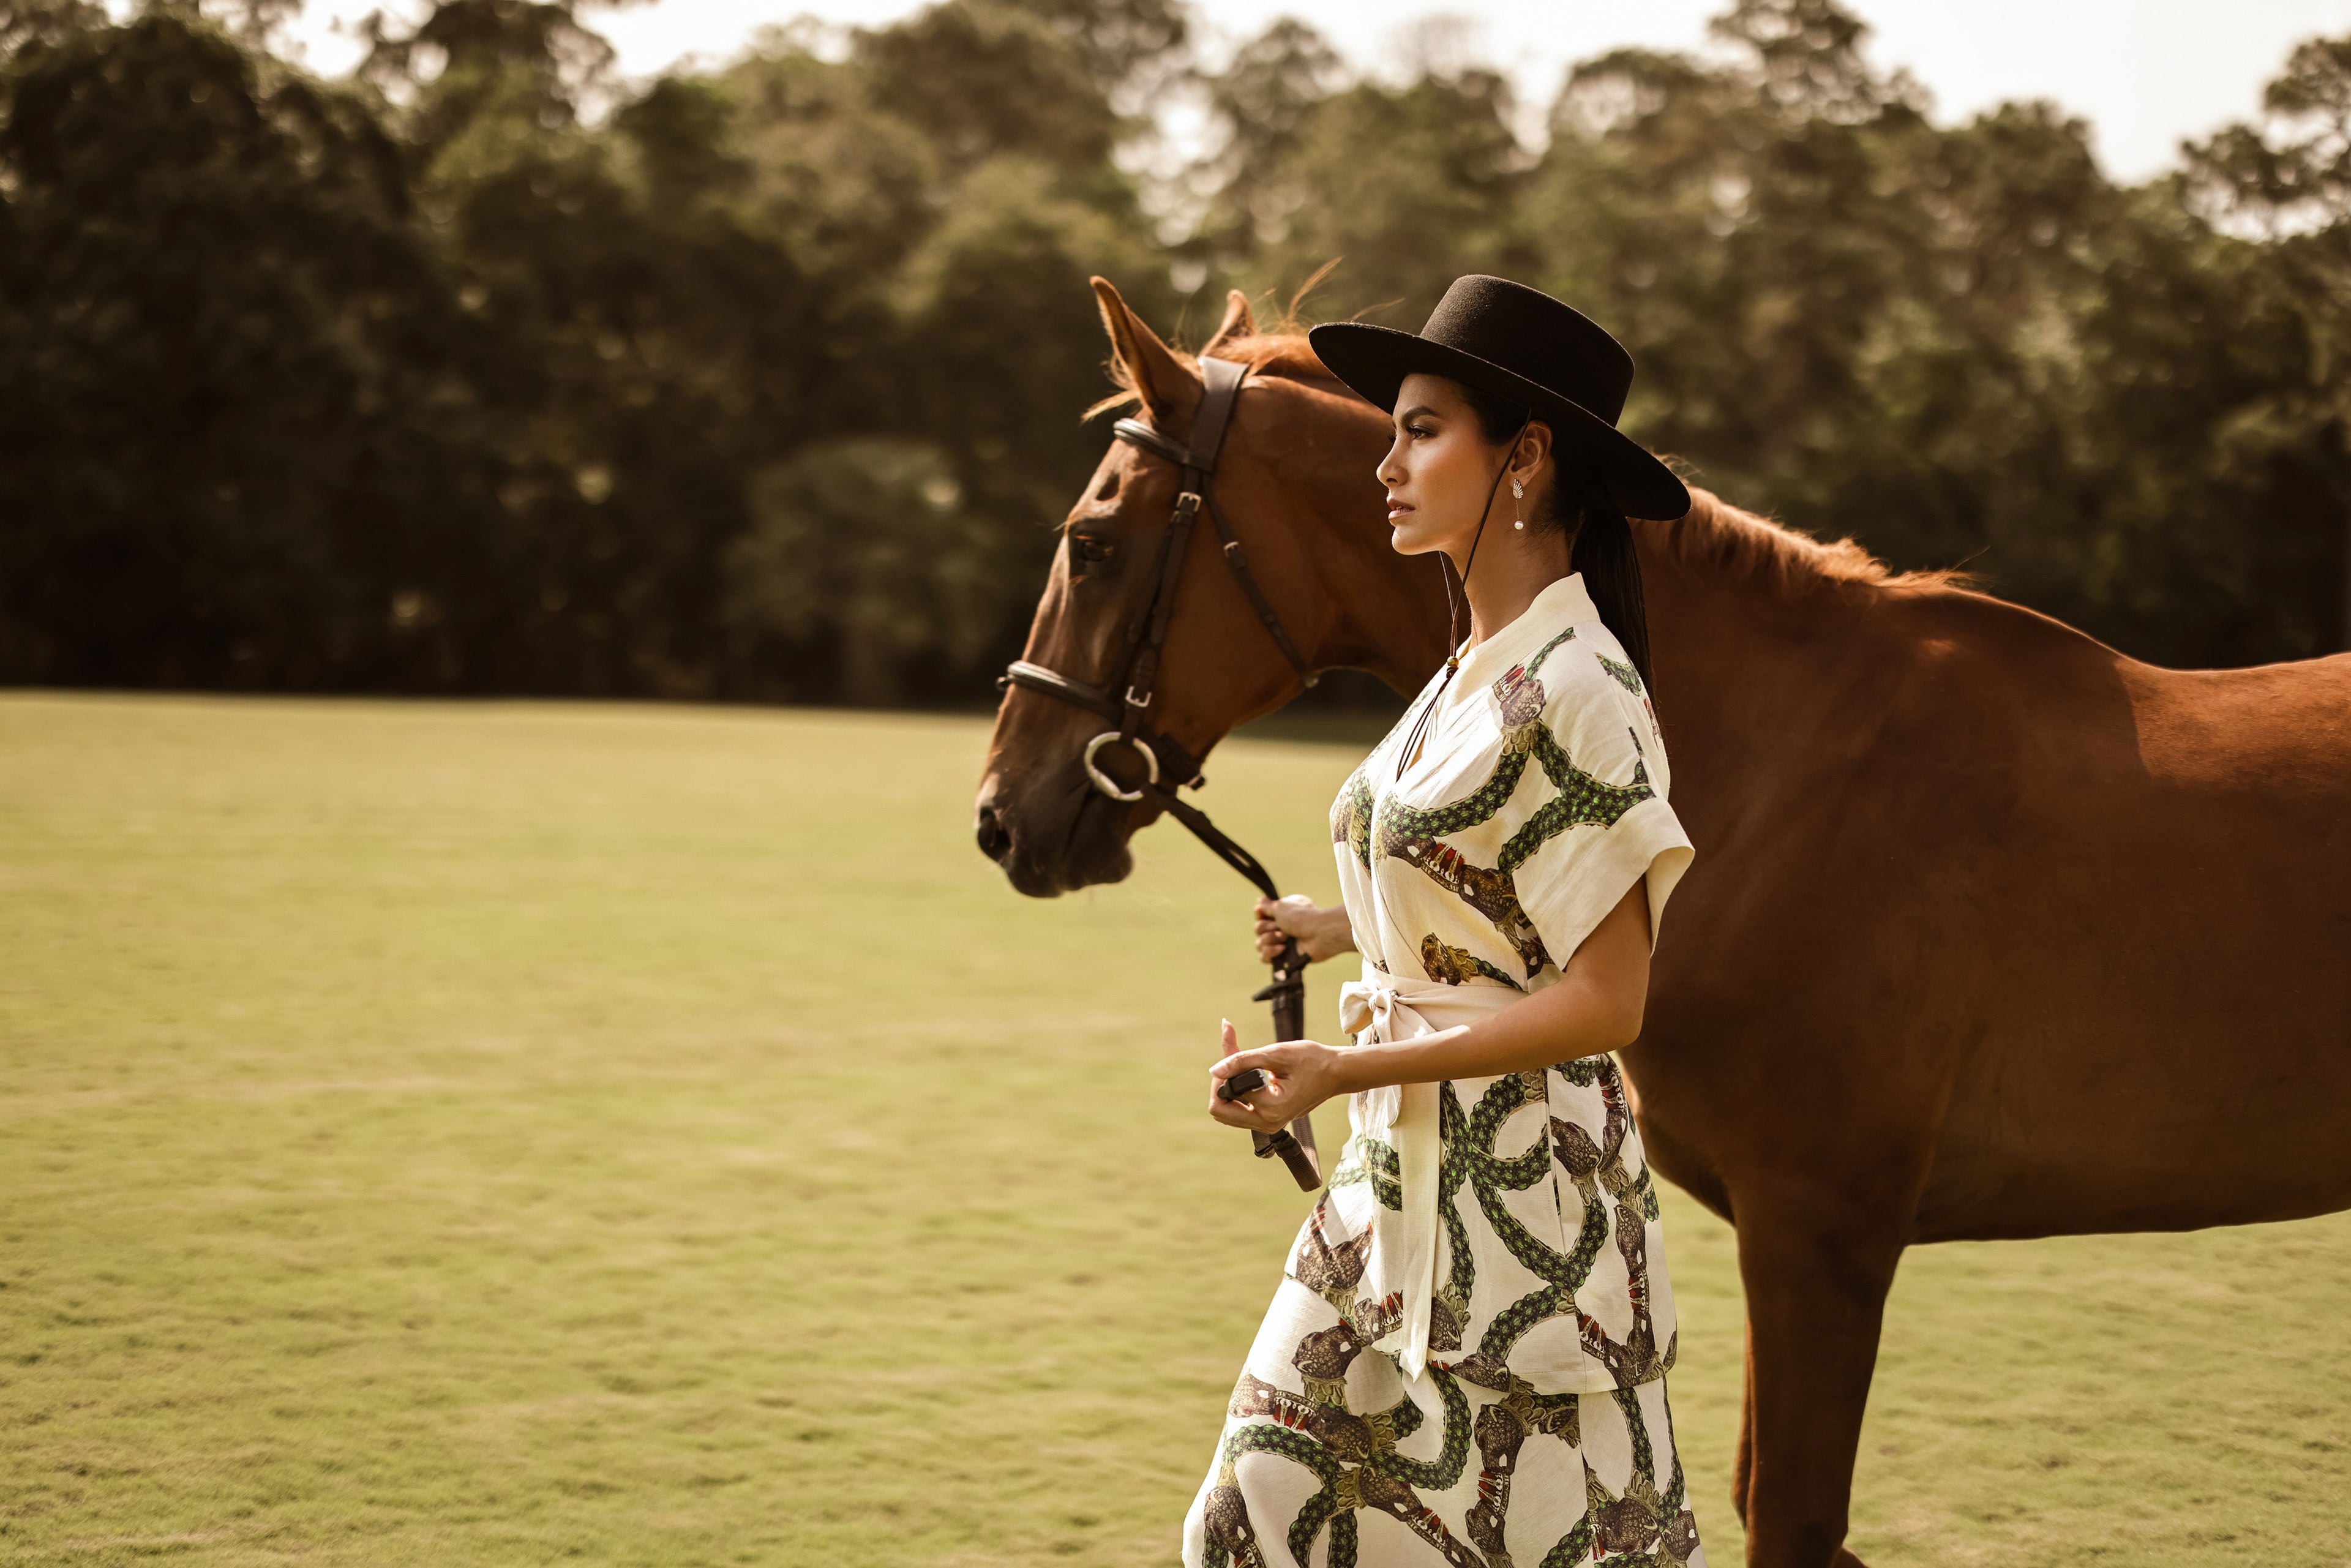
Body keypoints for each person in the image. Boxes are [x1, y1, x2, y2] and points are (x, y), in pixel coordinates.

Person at [1182, 276, 1704, 1568]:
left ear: (1523, 459)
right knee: (1248, 1527)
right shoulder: (1470, 666)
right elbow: (1485, 909)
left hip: (1529, 1230)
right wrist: (1338, 931)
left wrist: (1347, 1066)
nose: (1387, 463)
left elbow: (1608, 1000)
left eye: (1421, 430)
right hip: (1390, 1198)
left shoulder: (1583, 688)